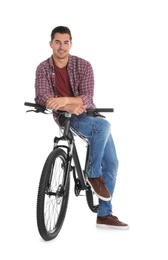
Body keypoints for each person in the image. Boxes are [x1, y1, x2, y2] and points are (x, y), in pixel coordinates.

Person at [35, 26, 129, 229]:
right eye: (58, 42)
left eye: (66, 42)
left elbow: (87, 98)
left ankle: (104, 215)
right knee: (103, 126)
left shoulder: (83, 65)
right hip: (67, 117)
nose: (62, 47)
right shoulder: (43, 68)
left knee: (112, 163)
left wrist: (65, 100)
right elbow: (42, 97)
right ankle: (93, 174)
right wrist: (69, 106)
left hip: (89, 115)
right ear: (51, 43)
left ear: (71, 43)